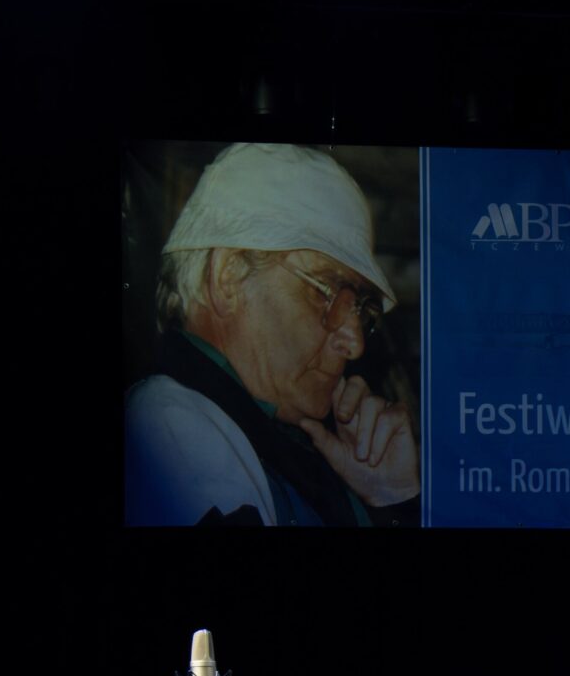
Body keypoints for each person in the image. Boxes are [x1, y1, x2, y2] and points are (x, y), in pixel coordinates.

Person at [125, 142, 420, 526]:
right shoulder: (169, 426)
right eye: (326, 293)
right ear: (228, 277)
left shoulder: (279, 445)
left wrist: (390, 500)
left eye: (361, 310)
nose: (355, 343)